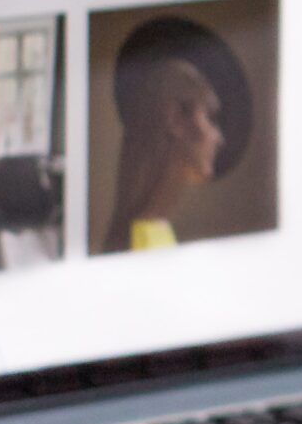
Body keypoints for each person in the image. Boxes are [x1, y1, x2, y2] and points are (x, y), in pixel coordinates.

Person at [103, 17, 251, 252]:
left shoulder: (153, 231)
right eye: (211, 118)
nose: (218, 138)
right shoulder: (144, 242)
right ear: (175, 120)